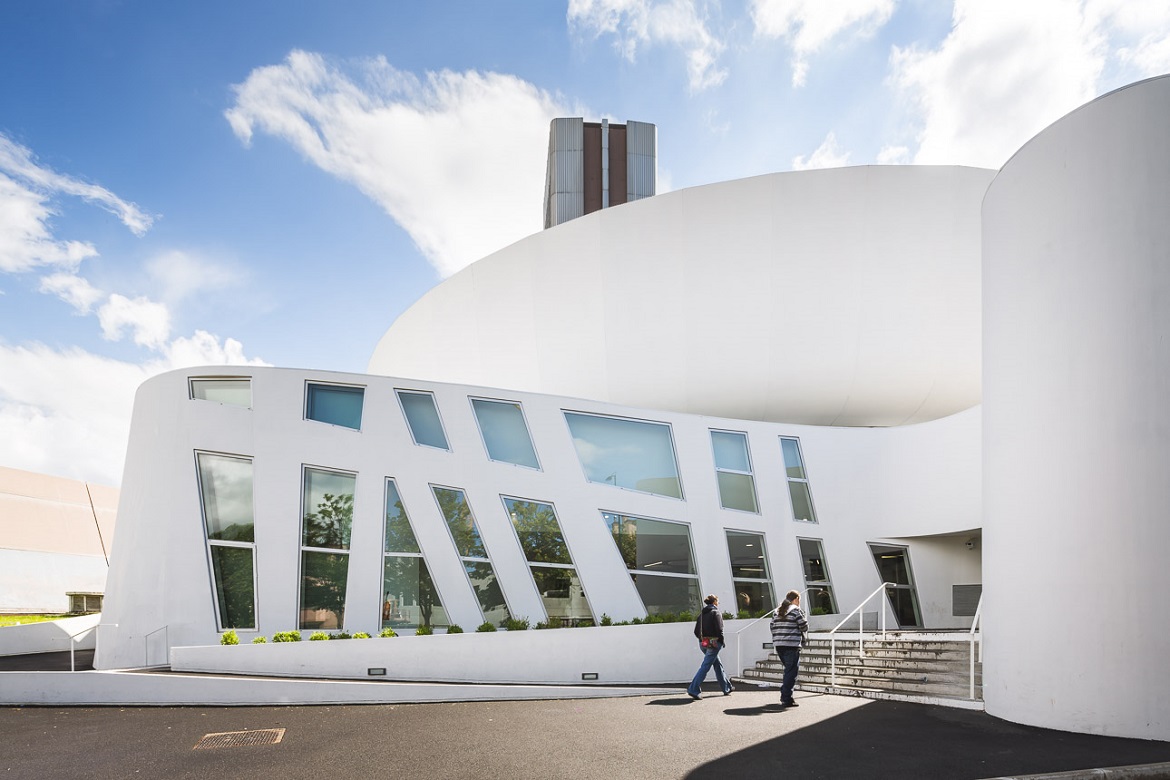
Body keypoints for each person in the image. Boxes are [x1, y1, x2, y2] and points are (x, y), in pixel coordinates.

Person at [687, 594, 732, 699]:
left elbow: (696, 631)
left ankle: (726, 687)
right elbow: (719, 629)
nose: (718, 604)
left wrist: (703, 639)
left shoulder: (701, 614)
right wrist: (721, 641)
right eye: (718, 602)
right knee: (705, 666)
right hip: (714, 643)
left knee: (717, 664)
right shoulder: (716, 612)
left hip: (703, 643)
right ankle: (693, 689)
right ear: (715, 602)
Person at [770, 589, 808, 707]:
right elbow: (804, 626)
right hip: (791, 645)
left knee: (788, 670)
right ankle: (786, 698)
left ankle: (786, 696)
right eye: (799, 600)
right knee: (791, 672)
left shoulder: (776, 611)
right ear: (796, 599)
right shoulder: (796, 611)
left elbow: (772, 626)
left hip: (779, 645)